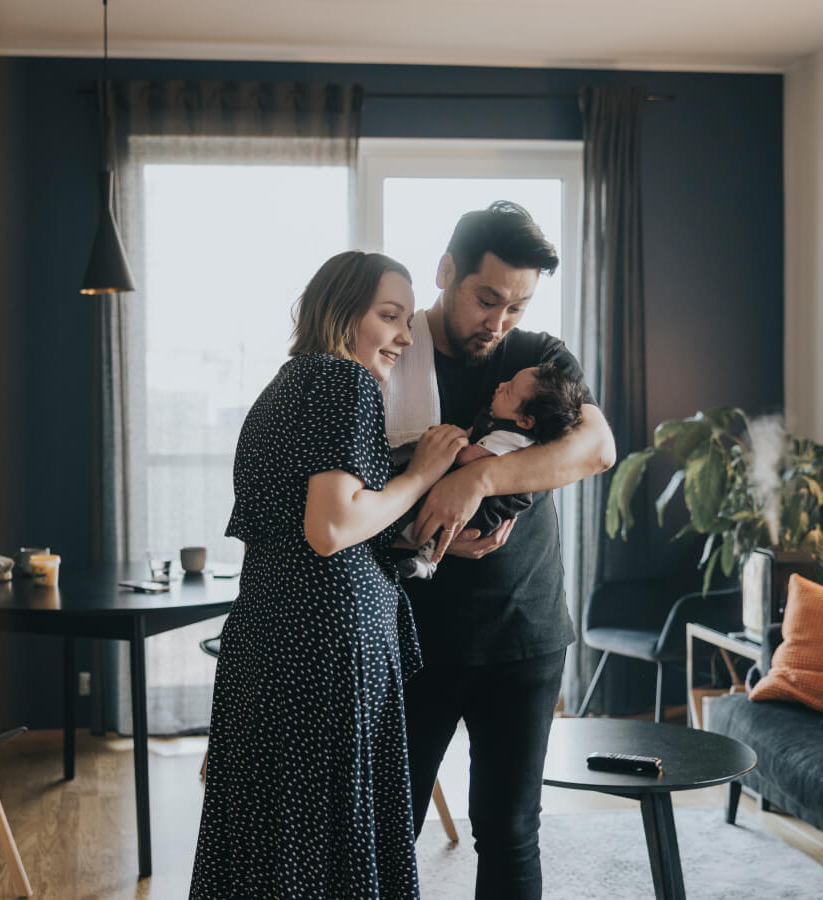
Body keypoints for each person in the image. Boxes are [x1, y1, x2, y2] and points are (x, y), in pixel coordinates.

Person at [190, 250, 469, 900]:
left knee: (274, 848)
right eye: (389, 316)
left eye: (407, 318)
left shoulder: (286, 386)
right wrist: (421, 475)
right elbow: (332, 527)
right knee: (328, 851)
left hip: (273, 644)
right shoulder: (343, 383)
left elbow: (313, 525)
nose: (405, 335)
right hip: (325, 656)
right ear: (342, 315)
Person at [390, 202, 616, 899]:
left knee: (510, 829)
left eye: (516, 306)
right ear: (446, 272)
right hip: (414, 637)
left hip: (525, 634)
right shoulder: (391, 351)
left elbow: (596, 447)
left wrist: (478, 480)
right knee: (385, 824)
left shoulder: (536, 357)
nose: (500, 323)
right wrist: (420, 528)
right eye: (488, 299)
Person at [396, 363, 590, 579]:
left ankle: (426, 561)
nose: (500, 385)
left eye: (508, 391)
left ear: (525, 421)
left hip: (489, 508)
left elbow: (466, 456)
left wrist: (447, 439)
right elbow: (475, 434)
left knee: (440, 522)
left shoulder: (510, 438)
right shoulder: (502, 421)